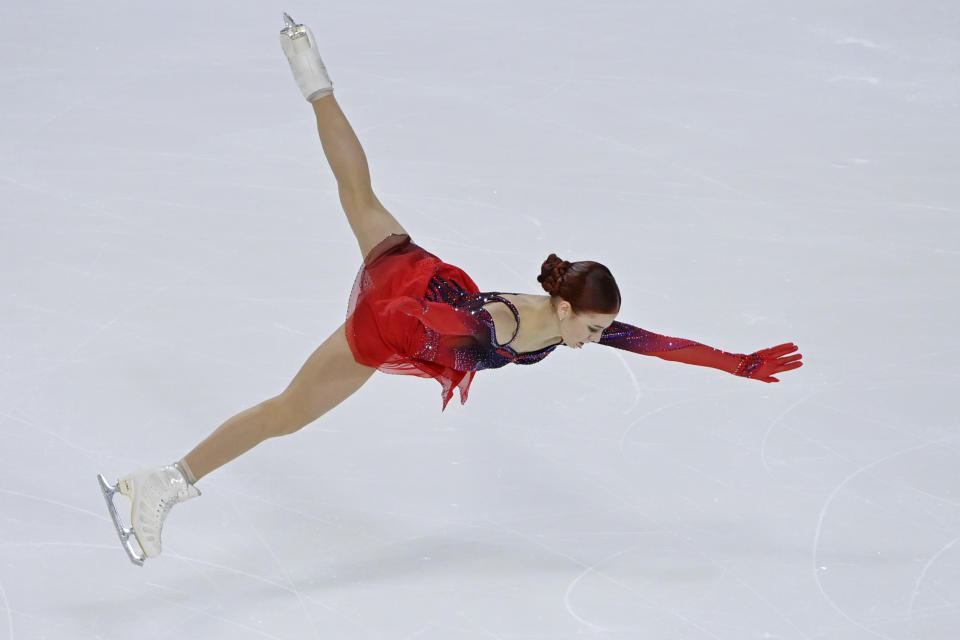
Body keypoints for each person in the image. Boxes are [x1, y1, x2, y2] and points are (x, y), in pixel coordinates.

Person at [97, 13, 803, 566]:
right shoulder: (499, 326)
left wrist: (738, 362)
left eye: (596, 330)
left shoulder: (568, 322)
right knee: (288, 411)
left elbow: (656, 344)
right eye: (591, 327)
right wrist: (388, 332)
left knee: (358, 193)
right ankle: (164, 480)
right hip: (394, 318)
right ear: (563, 307)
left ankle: (310, 71)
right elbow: (429, 322)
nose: (598, 339)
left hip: (412, 266)